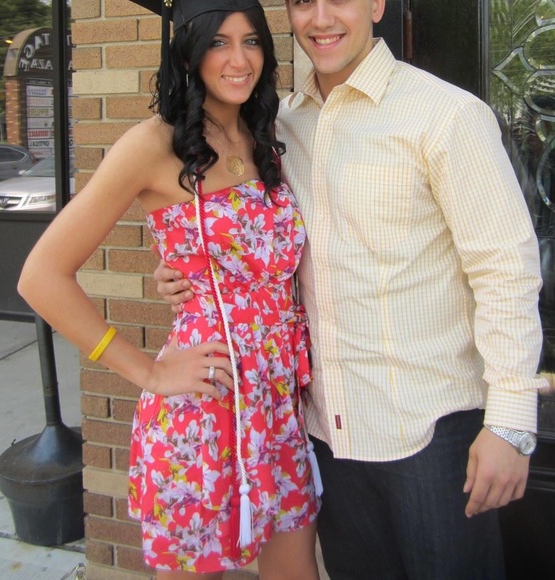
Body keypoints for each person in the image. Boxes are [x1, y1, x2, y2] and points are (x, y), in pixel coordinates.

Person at [154, 0, 549, 578]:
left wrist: (510, 421)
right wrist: (190, 273)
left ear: (377, 4)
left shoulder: (446, 115)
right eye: (302, 1)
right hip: (327, 437)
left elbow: (505, 269)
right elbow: (256, 240)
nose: (320, 19)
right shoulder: (279, 127)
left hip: (432, 435)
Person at [18, 0, 321, 577]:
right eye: (219, 43)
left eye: (252, 41)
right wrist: (148, 373)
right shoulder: (152, 145)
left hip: (277, 403)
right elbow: (41, 277)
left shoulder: (267, 133)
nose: (239, 60)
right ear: (187, 53)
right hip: (203, 405)